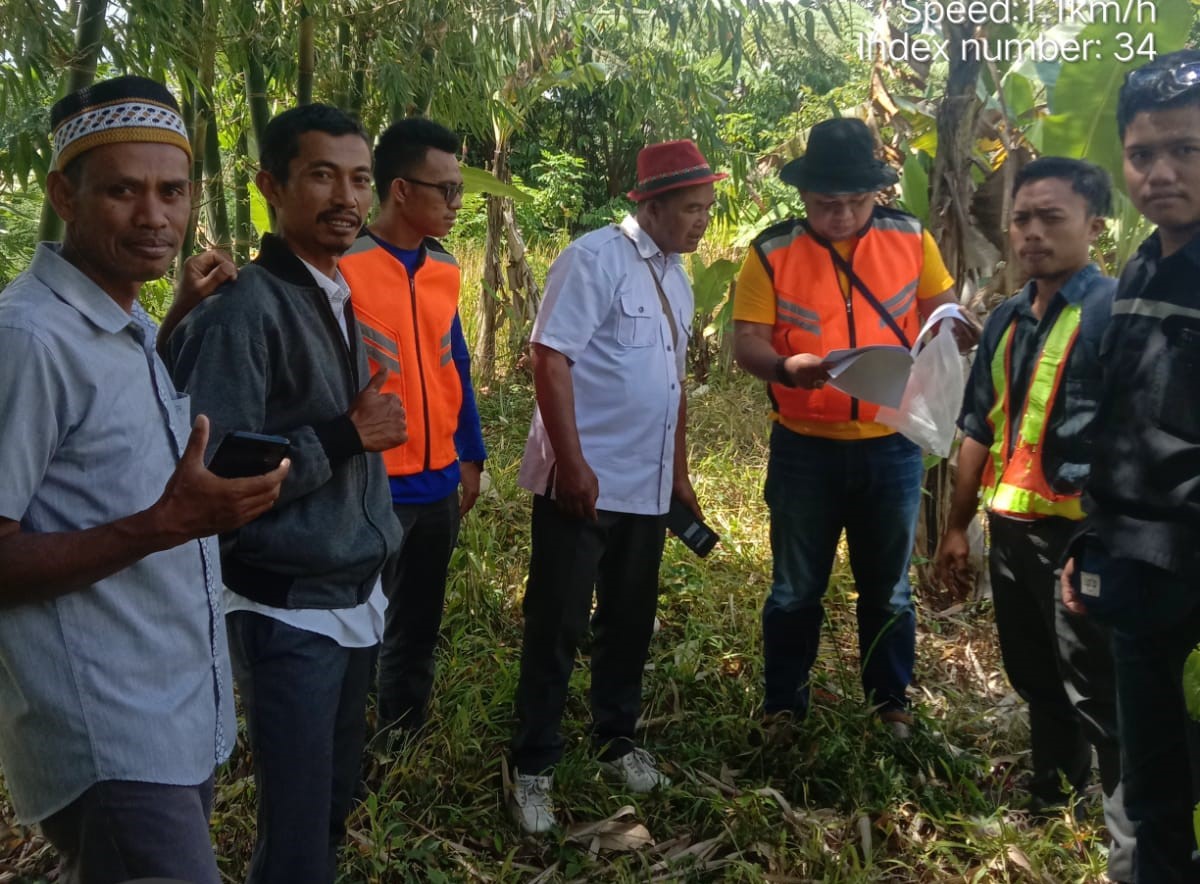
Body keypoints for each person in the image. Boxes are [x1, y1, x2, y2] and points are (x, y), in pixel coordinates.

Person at [0, 75, 288, 884]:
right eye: (124, 191)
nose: (155, 217)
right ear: (64, 192)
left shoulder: (119, 321)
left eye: (172, 191)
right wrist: (168, 522)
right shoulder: (27, 339)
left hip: (168, 709)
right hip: (109, 735)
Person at [165, 104, 405, 884]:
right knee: (298, 830)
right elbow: (218, 470)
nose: (346, 197)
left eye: (359, 178)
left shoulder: (335, 290)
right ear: (271, 185)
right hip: (285, 607)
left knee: (331, 803)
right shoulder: (246, 307)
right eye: (322, 175)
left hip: (351, 593)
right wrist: (344, 435)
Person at [508, 140, 721, 834]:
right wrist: (572, 465)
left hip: (647, 487)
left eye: (707, 210)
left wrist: (680, 475)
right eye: (691, 209)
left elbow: (673, 386)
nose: (701, 224)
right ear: (651, 206)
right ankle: (532, 762)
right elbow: (549, 357)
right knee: (557, 624)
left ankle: (615, 739)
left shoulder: (680, 278)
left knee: (629, 620)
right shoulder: (593, 259)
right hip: (584, 486)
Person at [936, 158, 1134, 881]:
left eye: (1052, 217)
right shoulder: (1009, 320)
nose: (1032, 233)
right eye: (1022, 218)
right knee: (1034, 673)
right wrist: (957, 528)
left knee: (1097, 684)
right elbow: (978, 429)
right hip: (1012, 529)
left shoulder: (1115, 313)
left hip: (1083, 535)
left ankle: (1128, 843)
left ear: (1094, 225)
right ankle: (1053, 798)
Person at [732, 117, 960, 739]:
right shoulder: (772, 250)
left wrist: (952, 331)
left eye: (856, 202)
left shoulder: (910, 238)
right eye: (827, 204)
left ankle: (891, 704)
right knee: (793, 588)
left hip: (891, 446)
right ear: (804, 195)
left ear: (877, 194)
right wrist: (785, 366)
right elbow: (745, 340)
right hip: (804, 448)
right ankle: (784, 704)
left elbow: (939, 310)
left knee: (888, 590)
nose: (841, 215)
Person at [1060, 49, 1200, 883]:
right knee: (1150, 784)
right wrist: (1091, 537)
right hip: (1141, 575)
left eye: (1186, 149)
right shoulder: (1143, 265)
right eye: (1143, 153)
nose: (1161, 172)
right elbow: (1122, 419)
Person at [339, 117, 487, 737]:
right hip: (372, 478)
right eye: (445, 189)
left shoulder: (444, 268)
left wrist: (470, 453)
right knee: (357, 619)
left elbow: (454, 361)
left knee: (419, 618)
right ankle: (344, 738)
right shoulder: (345, 265)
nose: (457, 203)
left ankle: (402, 727)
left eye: (460, 189)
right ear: (400, 190)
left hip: (438, 478)